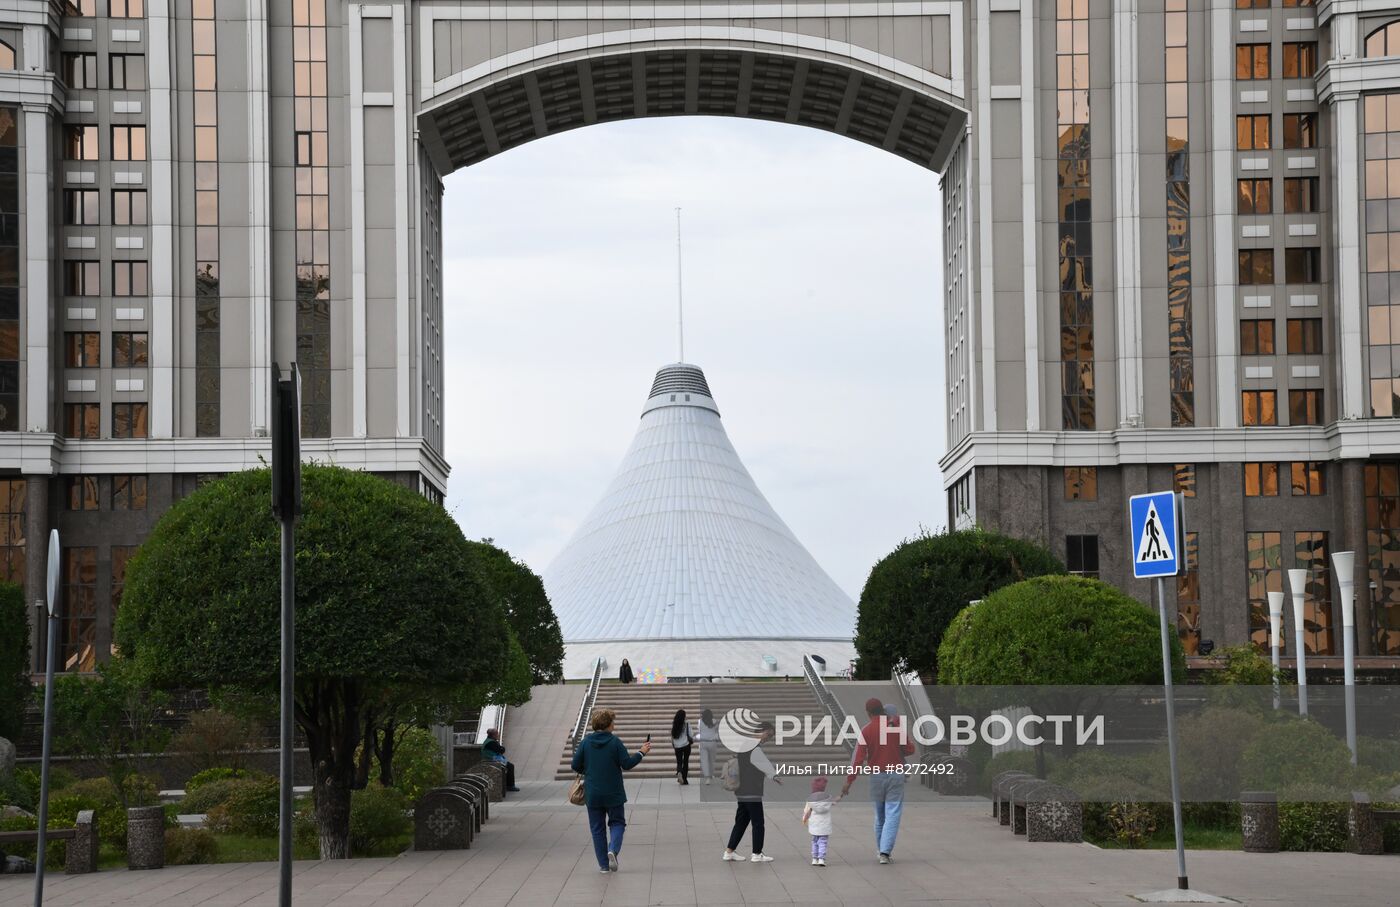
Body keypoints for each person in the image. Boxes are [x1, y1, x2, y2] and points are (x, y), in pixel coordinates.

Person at [571, 707, 651, 873]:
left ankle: (603, 866)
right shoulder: (615, 742)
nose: (614, 724)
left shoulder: (586, 742)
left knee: (597, 828)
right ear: (608, 724)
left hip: (592, 793)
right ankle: (612, 849)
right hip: (613, 793)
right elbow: (627, 764)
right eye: (613, 721)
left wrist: (589, 769)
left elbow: (575, 765)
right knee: (617, 823)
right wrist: (641, 752)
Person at [840, 697, 913, 864]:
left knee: (880, 815)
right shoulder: (896, 727)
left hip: (876, 776)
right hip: (896, 774)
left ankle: (881, 851)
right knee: (893, 812)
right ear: (882, 710)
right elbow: (910, 749)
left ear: (868, 713)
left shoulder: (866, 730)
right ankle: (885, 853)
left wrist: (849, 781)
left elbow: (857, 759)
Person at [722, 721, 780, 863]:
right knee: (758, 823)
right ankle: (757, 854)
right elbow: (763, 763)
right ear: (762, 731)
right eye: (769, 734)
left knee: (741, 822)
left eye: (771, 736)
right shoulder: (754, 747)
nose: (769, 738)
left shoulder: (745, 745)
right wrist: (774, 775)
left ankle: (729, 852)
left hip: (742, 791)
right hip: (752, 791)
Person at [802, 776, 834, 867]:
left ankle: (814, 858)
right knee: (823, 841)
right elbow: (833, 802)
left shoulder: (810, 800)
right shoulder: (827, 799)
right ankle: (821, 858)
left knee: (814, 841)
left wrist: (804, 818)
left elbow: (806, 811)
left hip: (814, 825)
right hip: (824, 825)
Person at [481, 728, 520, 792]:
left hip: (490, 760)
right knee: (510, 766)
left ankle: (508, 785)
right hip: (491, 760)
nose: (498, 735)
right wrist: (502, 748)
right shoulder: (491, 742)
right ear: (493, 735)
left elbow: (500, 749)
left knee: (508, 766)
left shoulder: (488, 741)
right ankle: (510, 786)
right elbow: (501, 750)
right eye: (497, 734)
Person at [695, 709, 721, 784]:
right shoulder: (714, 721)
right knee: (711, 760)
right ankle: (711, 774)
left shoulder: (700, 721)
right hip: (712, 742)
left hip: (703, 742)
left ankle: (707, 778)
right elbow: (716, 730)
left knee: (704, 760)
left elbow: (699, 730)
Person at [670, 709, 693, 784]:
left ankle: (679, 772)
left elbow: (672, 735)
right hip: (686, 745)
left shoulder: (675, 723)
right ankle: (685, 779)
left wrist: (673, 743)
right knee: (686, 762)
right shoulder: (687, 723)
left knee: (679, 761)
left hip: (677, 745)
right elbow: (691, 734)